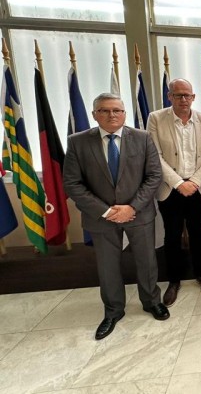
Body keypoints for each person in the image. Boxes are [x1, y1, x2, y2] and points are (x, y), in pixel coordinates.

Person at [63, 93, 168, 340]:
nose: (112, 115)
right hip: (101, 217)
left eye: (117, 110)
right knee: (107, 266)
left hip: (138, 214)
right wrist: (107, 211)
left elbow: (154, 176)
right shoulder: (77, 142)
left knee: (147, 261)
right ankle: (113, 311)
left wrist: (132, 207)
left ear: (124, 114)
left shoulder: (142, 138)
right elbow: (72, 183)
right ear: (94, 114)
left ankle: (152, 301)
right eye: (104, 110)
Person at [148, 78, 201, 307]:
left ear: (193, 97)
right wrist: (179, 183)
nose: (183, 99)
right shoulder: (156, 119)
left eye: (187, 95)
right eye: (178, 95)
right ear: (170, 97)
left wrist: (194, 182)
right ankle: (174, 280)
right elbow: (155, 156)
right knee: (172, 235)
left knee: (197, 232)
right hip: (171, 188)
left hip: (198, 186)